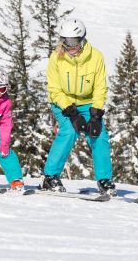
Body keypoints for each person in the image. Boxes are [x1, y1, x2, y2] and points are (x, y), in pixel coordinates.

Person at [44, 18, 116, 195]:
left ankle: (104, 180)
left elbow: (100, 87)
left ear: (82, 39)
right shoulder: (56, 58)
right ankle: (50, 177)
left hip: (89, 102)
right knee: (69, 131)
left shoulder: (96, 57)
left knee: (98, 134)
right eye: (66, 41)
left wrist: (96, 115)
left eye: (74, 41)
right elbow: (54, 89)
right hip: (63, 102)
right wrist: (72, 113)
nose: (70, 46)